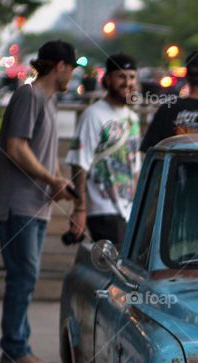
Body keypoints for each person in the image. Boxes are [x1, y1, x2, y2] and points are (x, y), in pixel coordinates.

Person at [0, 40, 78, 363]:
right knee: (22, 276)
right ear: (60, 66)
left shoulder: (49, 102)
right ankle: (14, 350)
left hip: (35, 203)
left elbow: (44, 155)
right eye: (71, 69)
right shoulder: (28, 95)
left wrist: (58, 181)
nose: (72, 76)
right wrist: (51, 180)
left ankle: (18, 347)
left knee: (26, 276)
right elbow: (16, 148)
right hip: (16, 202)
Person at [65, 53, 141, 246]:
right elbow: (79, 163)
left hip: (130, 212)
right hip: (103, 210)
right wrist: (80, 209)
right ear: (106, 79)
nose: (128, 82)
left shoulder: (133, 118)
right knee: (114, 269)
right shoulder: (93, 115)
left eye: (132, 77)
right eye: (121, 76)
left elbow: (136, 167)